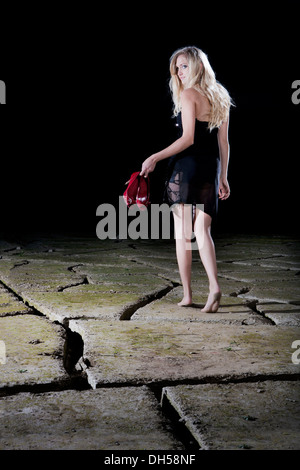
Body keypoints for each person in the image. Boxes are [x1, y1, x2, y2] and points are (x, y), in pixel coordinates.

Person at [140, 46, 233, 312]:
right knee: (203, 231)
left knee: (183, 235)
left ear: (198, 66)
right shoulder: (220, 96)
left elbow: (188, 138)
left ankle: (188, 295)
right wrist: (223, 177)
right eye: (177, 67)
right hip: (210, 168)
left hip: (187, 168)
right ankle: (214, 287)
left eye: (184, 66)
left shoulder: (190, 94)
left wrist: (154, 157)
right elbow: (224, 143)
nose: (179, 72)